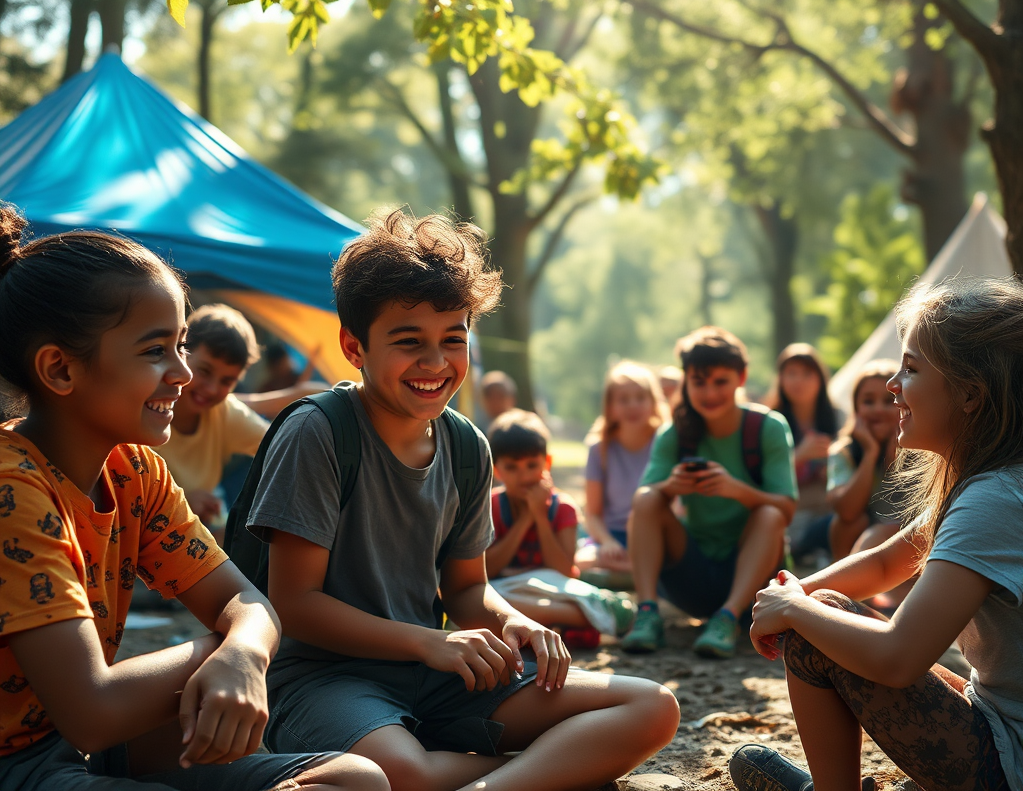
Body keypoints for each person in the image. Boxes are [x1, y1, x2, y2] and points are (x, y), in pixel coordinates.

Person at [245, 209, 679, 791]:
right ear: (354, 346)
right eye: (408, 342)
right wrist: (432, 643)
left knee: (651, 706)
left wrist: (516, 622)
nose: (435, 363)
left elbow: (467, 590)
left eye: (453, 339)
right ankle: (541, 776)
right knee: (394, 773)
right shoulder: (319, 433)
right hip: (324, 678)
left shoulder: (468, 446)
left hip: (441, 672)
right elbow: (295, 604)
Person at [0, 204, 387, 791]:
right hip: (22, 765)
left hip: (82, 750)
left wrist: (243, 655)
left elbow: (250, 604)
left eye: (181, 345)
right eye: (156, 351)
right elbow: (93, 711)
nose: (182, 374)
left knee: (356, 779)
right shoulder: (11, 486)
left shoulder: (136, 473)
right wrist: (219, 652)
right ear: (59, 369)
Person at [734, 278, 1023, 791]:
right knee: (816, 606)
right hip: (1001, 721)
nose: (892, 384)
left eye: (911, 369)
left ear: (971, 395)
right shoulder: (996, 481)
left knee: (813, 629)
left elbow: (899, 657)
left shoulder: (994, 499)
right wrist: (790, 592)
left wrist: (798, 611)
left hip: (1009, 761)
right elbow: (891, 560)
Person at [622, 326, 797, 658]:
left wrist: (737, 490)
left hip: (755, 585)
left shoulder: (768, 428)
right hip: (693, 576)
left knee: (770, 512)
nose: (709, 393)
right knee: (646, 498)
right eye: (699, 382)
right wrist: (670, 487)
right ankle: (647, 613)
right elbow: (645, 495)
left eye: (720, 381)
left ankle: (728, 618)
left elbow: (786, 509)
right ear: (685, 381)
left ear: (741, 377)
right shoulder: (675, 434)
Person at [162, 305, 325, 527]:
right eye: (205, 371)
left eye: (226, 381)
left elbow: (281, 446)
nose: (211, 389)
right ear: (181, 354)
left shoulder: (224, 412)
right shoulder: (149, 403)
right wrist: (179, 505)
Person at [485, 409, 635, 644]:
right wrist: (525, 519)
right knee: (487, 601)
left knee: (512, 607)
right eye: (512, 467)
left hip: (554, 590)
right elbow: (487, 569)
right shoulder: (491, 506)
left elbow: (565, 571)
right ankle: (590, 617)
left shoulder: (563, 508)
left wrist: (540, 518)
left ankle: (595, 612)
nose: (523, 476)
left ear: (547, 463)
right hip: (507, 591)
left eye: (532, 465)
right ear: (496, 470)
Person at [577, 361, 669, 575]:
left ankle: (638, 570)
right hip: (614, 539)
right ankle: (639, 571)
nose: (632, 405)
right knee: (581, 562)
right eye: (623, 399)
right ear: (610, 406)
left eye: (640, 398)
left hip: (654, 536)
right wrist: (608, 542)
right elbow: (593, 514)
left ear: (653, 402)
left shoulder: (665, 442)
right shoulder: (599, 449)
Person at [764, 343, 839, 561]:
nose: (799, 381)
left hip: (829, 507)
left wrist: (834, 464)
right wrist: (800, 455)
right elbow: (764, 477)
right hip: (790, 512)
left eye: (807, 374)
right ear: (780, 379)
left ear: (820, 378)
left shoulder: (837, 418)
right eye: (791, 374)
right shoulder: (770, 422)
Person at [827, 360, 902, 560]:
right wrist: (870, 454)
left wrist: (895, 454)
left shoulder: (923, 448)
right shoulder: (843, 451)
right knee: (845, 523)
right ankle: (844, 580)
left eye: (888, 401)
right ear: (856, 408)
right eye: (869, 401)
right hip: (862, 529)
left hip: (901, 531)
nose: (878, 409)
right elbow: (847, 512)